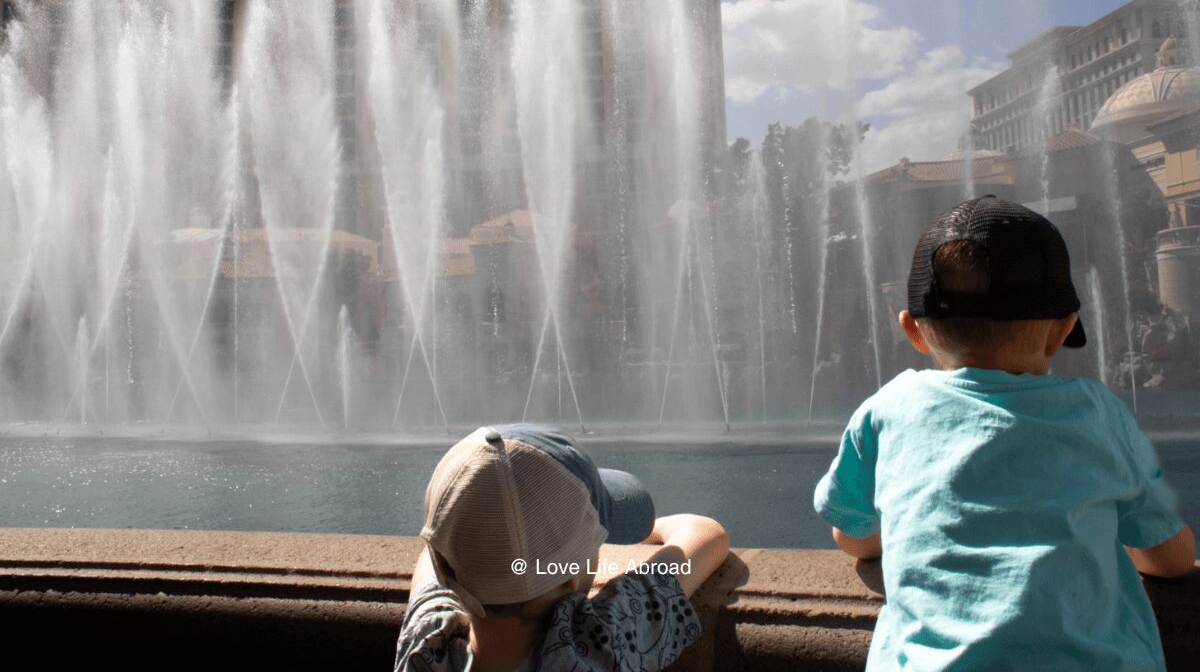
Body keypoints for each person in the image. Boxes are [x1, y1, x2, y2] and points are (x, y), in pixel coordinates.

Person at [814, 195, 1195, 670]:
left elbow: (852, 534)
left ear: (911, 330)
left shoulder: (886, 410)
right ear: (1063, 331)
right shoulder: (1099, 412)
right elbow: (1171, 558)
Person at [395, 423, 729, 671]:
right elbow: (705, 533)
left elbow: (433, 555)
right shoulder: (605, 641)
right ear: (569, 580)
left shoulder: (425, 646)